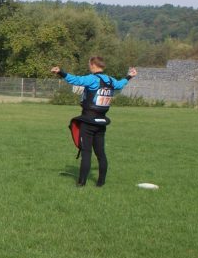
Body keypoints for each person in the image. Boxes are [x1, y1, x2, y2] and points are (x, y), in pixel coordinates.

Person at [51, 57, 137, 187]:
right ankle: (101, 183)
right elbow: (120, 84)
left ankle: (81, 183)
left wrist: (60, 72)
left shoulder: (92, 79)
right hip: (101, 122)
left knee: (86, 153)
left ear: (93, 65)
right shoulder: (110, 80)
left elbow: (76, 80)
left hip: (88, 120)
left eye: (89, 65)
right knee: (101, 153)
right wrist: (130, 76)